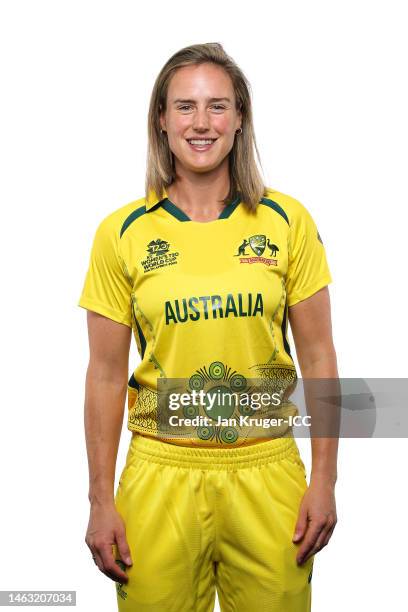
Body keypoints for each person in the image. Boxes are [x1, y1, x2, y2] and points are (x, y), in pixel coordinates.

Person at [78, 42, 338, 612]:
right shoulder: (121, 233)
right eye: (186, 107)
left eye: (217, 106)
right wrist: (100, 498)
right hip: (160, 472)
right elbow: (103, 375)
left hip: (266, 469)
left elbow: (319, 360)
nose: (201, 123)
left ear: (240, 117)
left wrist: (324, 481)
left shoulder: (287, 221)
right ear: (162, 120)